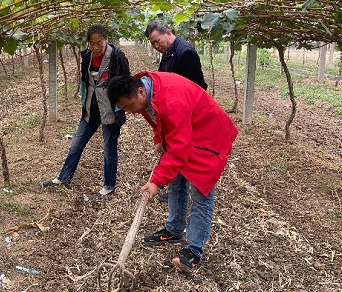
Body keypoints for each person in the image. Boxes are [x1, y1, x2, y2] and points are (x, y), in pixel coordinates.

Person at [107, 72, 238, 273]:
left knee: (201, 195)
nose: (129, 111)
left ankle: (194, 251)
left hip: (209, 139)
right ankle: (174, 229)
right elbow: (158, 116)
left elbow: (179, 148)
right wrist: (159, 138)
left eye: (129, 106)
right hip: (188, 132)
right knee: (176, 180)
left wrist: (156, 181)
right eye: (123, 108)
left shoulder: (172, 100)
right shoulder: (147, 91)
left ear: (141, 91)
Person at [42, 24, 130, 197]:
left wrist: (121, 107)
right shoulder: (87, 56)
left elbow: (126, 83)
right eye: (92, 43)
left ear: (106, 40)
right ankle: (64, 178)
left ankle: (109, 186)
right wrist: (84, 99)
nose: (96, 47)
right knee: (76, 143)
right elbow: (85, 81)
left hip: (110, 109)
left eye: (100, 43)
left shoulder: (118, 57)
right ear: (88, 43)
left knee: (109, 147)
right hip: (91, 107)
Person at [145, 20, 208, 202]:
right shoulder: (168, 52)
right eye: (153, 43)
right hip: (177, 112)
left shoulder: (185, 52)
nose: (156, 45)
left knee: (184, 151)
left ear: (168, 32)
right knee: (177, 151)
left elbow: (197, 87)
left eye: (158, 40)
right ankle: (177, 189)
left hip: (188, 114)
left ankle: (185, 191)